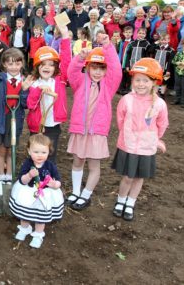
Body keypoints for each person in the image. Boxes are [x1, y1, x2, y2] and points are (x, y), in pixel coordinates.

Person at [66, 33, 122, 210]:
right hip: (79, 130)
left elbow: (116, 69)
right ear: (88, 67)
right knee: (77, 161)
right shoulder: (80, 82)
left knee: (94, 165)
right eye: (94, 67)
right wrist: (80, 57)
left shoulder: (109, 85)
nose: (98, 72)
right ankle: (75, 191)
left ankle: (86, 195)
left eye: (102, 68)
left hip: (96, 132)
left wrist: (108, 47)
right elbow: (71, 71)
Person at [111, 58, 168, 221]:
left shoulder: (160, 104)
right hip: (128, 145)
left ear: (154, 83)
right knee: (127, 177)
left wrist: (155, 139)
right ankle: (120, 201)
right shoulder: (126, 100)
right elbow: (120, 120)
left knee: (138, 177)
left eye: (145, 80)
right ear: (132, 81)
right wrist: (127, 135)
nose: (141, 84)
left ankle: (130, 203)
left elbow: (162, 124)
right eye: (137, 80)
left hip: (147, 147)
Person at [0, 42, 32, 183]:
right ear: (4, 65)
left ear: (22, 65)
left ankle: (9, 175)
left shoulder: (24, 82)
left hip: (16, 120)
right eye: (10, 64)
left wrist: (25, 90)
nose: (14, 67)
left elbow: (26, 104)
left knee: (11, 149)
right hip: (0, 119)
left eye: (17, 64)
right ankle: (1, 175)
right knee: (2, 149)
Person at [9, 134, 64, 249]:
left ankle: (38, 235)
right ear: (29, 151)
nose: (40, 155)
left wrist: (54, 184)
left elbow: (58, 181)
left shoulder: (50, 165)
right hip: (28, 192)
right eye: (36, 152)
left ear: (49, 152)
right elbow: (22, 181)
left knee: (41, 217)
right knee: (25, 214)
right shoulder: (27, 164)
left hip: (45, 195)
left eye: (44, 152)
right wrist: (29, 175)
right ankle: (24, 228)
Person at [26, 26, 71, 163]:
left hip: (52, 126)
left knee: (50, 155)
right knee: (35, 155)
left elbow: (66, 60)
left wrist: (65, 36)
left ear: (56, 67)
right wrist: (39, 89)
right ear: (37, 67)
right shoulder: (34, 83)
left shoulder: (59, 80)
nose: (47, 67)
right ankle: (35, 179)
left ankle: (48, 179)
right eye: (43, 64)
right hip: (37, 126)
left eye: (51, 65)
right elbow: (30, 104)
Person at [149, 33, 175, 98]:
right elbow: (150, 50)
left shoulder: (171, 50)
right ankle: (155, 93)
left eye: (165, 40)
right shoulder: (156, 48)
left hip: (165, 69)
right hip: (156, 68)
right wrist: (155, 43)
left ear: (168, 40)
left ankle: (162, 94)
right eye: (162, 40)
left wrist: (168, 70)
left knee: (164, 82)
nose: (163, 41)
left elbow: (170, 61)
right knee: (156, 80)